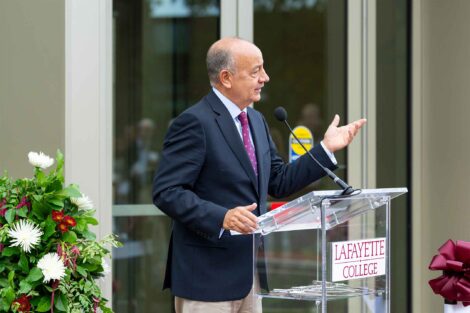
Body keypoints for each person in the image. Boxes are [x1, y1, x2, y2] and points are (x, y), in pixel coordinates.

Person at [152, 37, 366, 313]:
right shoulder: (194, 122)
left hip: (249, 277)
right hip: (206, 280)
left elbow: (278, 181)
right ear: (226, 77)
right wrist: (222, 217)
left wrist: (325, 149)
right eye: (255, 71)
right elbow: (167, 192)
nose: (265, 78)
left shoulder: (255, 120)